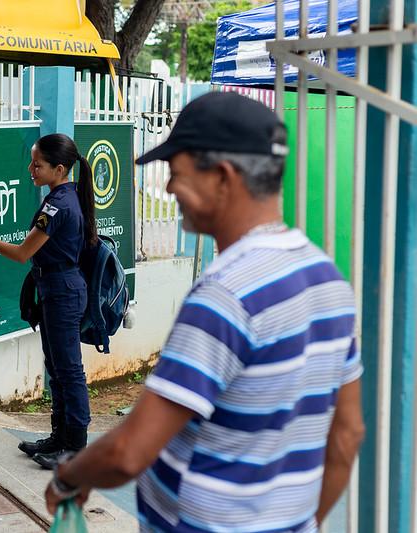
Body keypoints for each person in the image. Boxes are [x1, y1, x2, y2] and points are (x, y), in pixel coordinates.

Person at [43, 92, 366, 532]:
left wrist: (69, 477)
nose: (171, 188)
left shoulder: (226, 295)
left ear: (222, 177)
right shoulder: (328, 278)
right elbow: (347, 437)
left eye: (177, 173)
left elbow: (128, 453)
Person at [0, 133, 97, 470]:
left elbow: (21, 253)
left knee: (69, 370)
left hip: (63, 290)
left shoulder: (59, 203)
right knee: (56, 367)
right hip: (55, 287)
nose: (31, 168)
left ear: (59, 169)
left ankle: (74, 445)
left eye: (38, 164)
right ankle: (59, 436)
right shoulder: (63, 195)